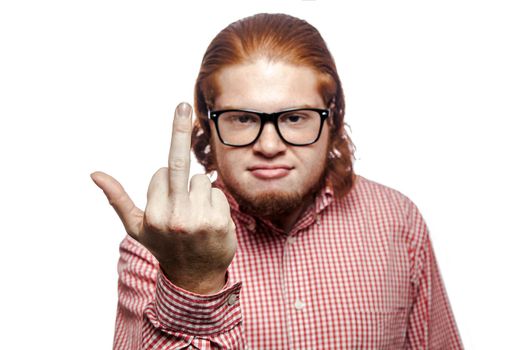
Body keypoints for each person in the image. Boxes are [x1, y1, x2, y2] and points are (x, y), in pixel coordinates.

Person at [91, 13, 463, 349]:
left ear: (331, 118)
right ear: (209, 124)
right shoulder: (160, 242)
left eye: (295, 118)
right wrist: (193, 282)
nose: (269, 146)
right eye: (242, 119)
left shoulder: (397, 220)